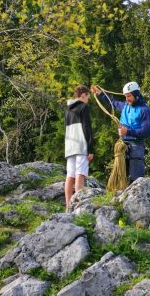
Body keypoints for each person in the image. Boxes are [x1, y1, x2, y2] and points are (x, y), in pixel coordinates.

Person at [91, 81, 150, 181]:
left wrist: (127, 131)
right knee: (120, 177)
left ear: (136, 95)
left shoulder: (145, 110)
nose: (126, 99)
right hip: (123, 146)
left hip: (136, 146)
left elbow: (147, 131)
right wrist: (99, 93)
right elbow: (113, 102)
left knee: (135, 178)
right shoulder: (125, 106)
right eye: (125, 96)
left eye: (129, 96)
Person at [64, 84, 94, 212]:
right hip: (81, 145)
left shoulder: (68, 109)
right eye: (88, 97)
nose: (88, 100)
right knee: (80, 175)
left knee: (70, 176)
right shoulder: (84, 107)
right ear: (83, 95)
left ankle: (68, 206)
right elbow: (87, 128)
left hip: (70, 146)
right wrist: (91, 148)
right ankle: (78, 206)